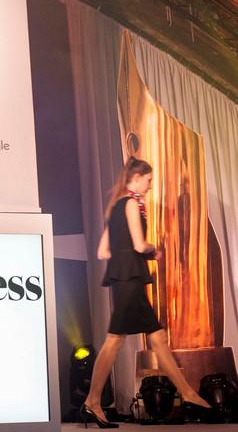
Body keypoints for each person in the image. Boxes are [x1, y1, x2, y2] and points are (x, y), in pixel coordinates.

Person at [81, 157, 211, 428]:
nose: (150, 186)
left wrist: (126, 252)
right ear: (137, 177)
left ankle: (187, 393)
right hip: (130, 279)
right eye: (149, 180)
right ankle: (92, 401)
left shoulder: (114, 207)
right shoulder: (130, 204)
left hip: (124, 279)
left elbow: (103, 251)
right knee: (115, 340)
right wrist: (155, 250)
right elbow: (140, 245)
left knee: (156, 337)